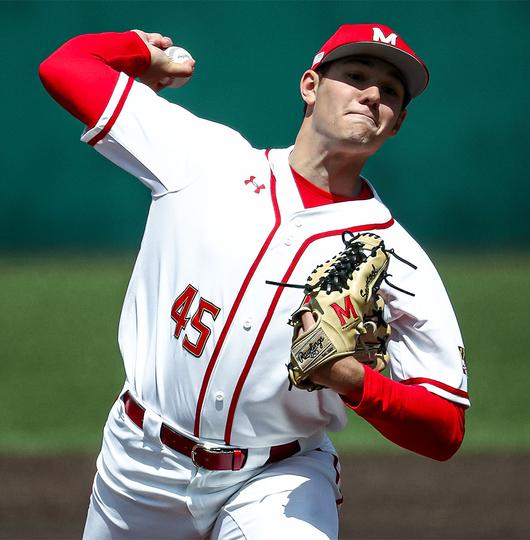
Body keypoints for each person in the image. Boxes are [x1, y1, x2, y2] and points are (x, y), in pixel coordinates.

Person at [39, 23, 469, 540]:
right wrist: (138, 53)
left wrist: (355, 383)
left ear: (396, 123)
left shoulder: (398, 259)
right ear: (310, 86)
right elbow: (65, 67)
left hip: (279, 478)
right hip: (140, 462)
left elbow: (445, 427)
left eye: (391, 92)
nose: (373, 94)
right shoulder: (206, 160)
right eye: (356, 76)